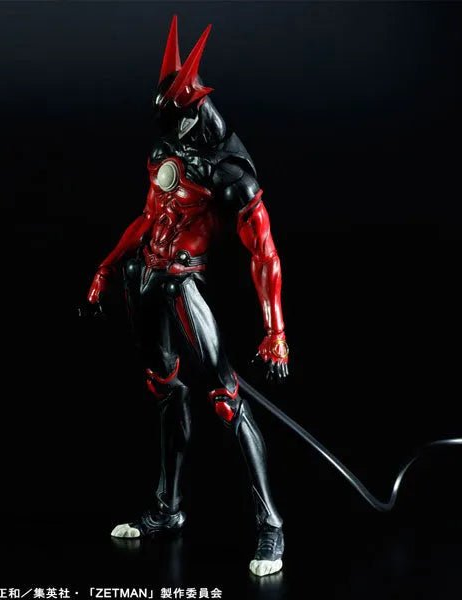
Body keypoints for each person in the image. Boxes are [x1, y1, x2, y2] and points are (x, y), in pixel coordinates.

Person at [86, 17, 289, 577]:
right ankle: (167, 509)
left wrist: (276, 331)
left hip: (183, 283)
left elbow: (264, 253)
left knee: (224, 398)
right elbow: (148, 217)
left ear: (195, 111)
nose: (167, 130)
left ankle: (270, 523)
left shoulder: (231, 173)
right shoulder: (164, 149)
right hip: (143, 280)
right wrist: (107, 267)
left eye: (175, 119)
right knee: (165, 393)